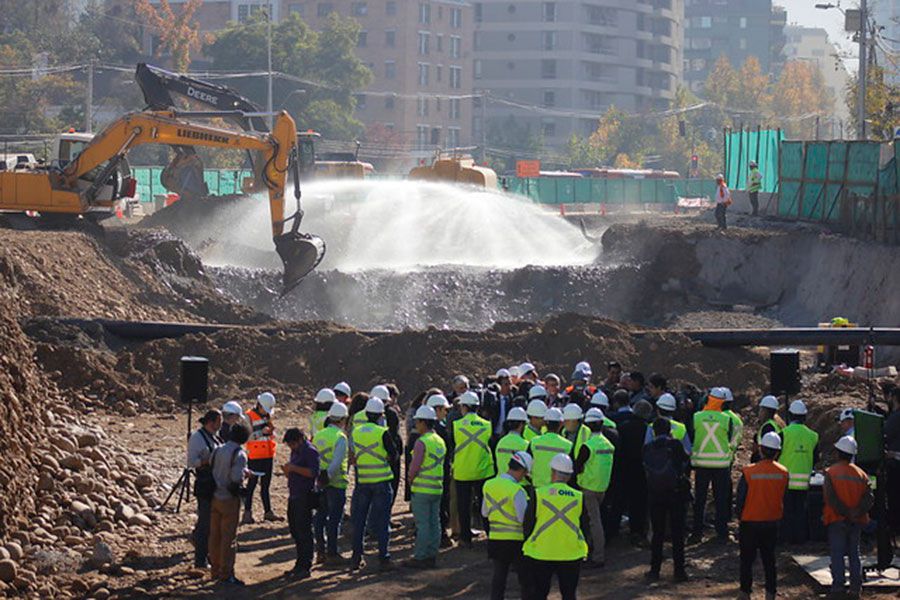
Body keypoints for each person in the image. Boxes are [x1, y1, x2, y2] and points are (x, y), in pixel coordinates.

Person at [523, 453, 589, 600]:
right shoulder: (578, 496)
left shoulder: (539, 494)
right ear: (569, 476)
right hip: (570, 553)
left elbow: (528, 524)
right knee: (569, 594)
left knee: (539, 593)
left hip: (541, 552)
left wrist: (528, 541)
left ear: (553, 472)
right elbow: (585, 525)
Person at [736, 432, 788, 600]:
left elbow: (740, 498)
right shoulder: (783, 472)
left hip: (750, 521)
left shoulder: (749, 472)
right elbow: (783, 495)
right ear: (777, 452)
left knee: (747, 560)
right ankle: (770, 593)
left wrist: (739, 516)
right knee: (769, 560)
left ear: (760, 449)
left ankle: (745, 592)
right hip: (772, 521)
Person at [349, 397, 399, 570]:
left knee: (359, 521)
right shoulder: (382, 432)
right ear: (380, 415)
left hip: (363, 481)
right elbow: (394, 454)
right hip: (382, 481)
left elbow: (354, 454)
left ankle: (356, 557)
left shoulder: (356, 431)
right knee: (383, 522)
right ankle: (383, 558)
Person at [824, 436, 874, 599]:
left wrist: (845, 512)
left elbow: (830, 498)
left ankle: (838, 588)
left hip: (837, 519)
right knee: (854, 553)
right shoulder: (862, 474)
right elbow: (869, 498)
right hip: (856, 521)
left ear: (839, 453)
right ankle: (855, 588)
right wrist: (856, 512)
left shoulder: (831, 472)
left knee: (837, 553)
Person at [643, 418, 690, 583]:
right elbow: (686, 460)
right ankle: (679, 571)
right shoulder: (676, 444)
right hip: (675, 494)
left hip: (655, 494)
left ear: (654, 431)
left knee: (658, 533)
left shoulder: (648, 447)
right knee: (678, 533)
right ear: (669, 429)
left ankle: (655, 570)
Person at [482, 451, 532, 600]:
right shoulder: (517, 490)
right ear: (522, 470)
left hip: (496, 539)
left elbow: (485, 512)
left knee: (499, 578)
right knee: (525, 580)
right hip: (516, 541)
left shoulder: (489, 485)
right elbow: (523, 518)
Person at [689, 387, 734, 544]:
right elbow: (729, 439)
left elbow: (692, 437)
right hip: (721, 465)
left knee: (700, 499)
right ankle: (721, 532)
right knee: (720, 499)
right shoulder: (726, 419)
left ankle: (696, 532)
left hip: (701, 464)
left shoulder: (696, 417)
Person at [450, 391, 495, 547]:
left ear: (464, 406)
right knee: (485, 505)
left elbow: (451, 445)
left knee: (464, 506)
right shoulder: (487, 424)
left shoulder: (456, 425)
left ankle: (465, 538)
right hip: (483, 471)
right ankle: (490, 535)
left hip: (463, 471)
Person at [406, 405, 447, 569]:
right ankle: (431, 554)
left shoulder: (421, 442)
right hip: (436, 487)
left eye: (417, 421)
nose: (416, 424)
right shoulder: (439, 441)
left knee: (422, 524)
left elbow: (414, 467)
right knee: (434, 522)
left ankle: (421, 556)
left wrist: (410, 480)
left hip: (422, 488)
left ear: (424, 422)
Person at [209, 423, 250, 586]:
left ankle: (215, 570)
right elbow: (235, 478)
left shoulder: (218, 449)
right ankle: (226, 574)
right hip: (229, 499)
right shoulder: (239, 454)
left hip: (214, 496)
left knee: (215, 535)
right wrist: (246, 475)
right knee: (228, 538)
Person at [575, 408, 615, 568]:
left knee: (593, 521)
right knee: (593, 520)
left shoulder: (588, 446)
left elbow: (577, 466)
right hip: (602, 487)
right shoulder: (608, 444)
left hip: (588, 487)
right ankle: (590, 547)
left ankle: (598, 555)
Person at [608, 391, 649, 545]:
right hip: (640, 470)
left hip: (622, 468)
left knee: (618, 501)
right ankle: (636, 531)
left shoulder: (623, 427)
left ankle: (612, 531)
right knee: (638, 502)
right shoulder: (647, 429)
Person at [312, 401, 349, 563]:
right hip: (336, 483)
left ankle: (320, 550)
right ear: (343, 420)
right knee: (334, 519)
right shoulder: (340, 437)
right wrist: (327, 477)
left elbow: (315, 459)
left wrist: (319, 479)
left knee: (320, 517)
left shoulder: (319, 435)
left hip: (320, 482)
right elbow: (337, 461)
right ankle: (332, 552)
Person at [281, 427, 319, 579]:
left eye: (292, 444)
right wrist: (288, 470)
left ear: (299, 440)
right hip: (294, 495)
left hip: (305, 496)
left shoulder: (310, 451)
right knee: (295, 530)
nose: (291, 447)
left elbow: (312, 472)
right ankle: (299, 563)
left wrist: (293, 468)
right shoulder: (296, 451)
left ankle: (305, 565)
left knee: (304, 531)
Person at [780, 400, 819, 544]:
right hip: (804, 482)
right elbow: (816, 458)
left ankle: (786, 539)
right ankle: (800, 540)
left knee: (786, 512)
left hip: (786, 482)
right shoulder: (813, 436)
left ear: (790, 415)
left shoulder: (783, 433)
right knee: (801, 512)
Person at [187, 409, 222, 570]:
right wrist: (207, 461)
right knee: (205, 523)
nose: (220, 425)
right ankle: (200, 560)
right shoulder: (197, 438)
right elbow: (191, 462)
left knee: (214, 523)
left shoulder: (215, 436)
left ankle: (210, 554)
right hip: (205, 485)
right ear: (211, 422)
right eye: (218, 422)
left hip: (216, 485)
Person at [244, 392, 279, 524]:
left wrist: (271, 432)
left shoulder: (268, 416)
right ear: (259, 405)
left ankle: (268, 512)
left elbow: (270, 434)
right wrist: (260, 433)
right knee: (251, 486)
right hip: (255, 457)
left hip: (268, 456)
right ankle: (247, 513)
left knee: (266, 486)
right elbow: (246, 437)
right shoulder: (248, 416)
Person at [428, 393, 455, 547]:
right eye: (444, 410)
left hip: (428, 474)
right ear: (437, 409)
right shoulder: (441, 429)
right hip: (441, 472)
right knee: (442, 503)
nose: (446, 413)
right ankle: (442, 534)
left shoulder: (424, 429)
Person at [528, 407, 573, 489]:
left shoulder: (534, 442)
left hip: (537, 486)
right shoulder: (568, 445)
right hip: (557, 488)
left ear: (545, 423)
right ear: (561, 423)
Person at [494, 407, 530, 474]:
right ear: (522, 425)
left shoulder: (500, 442)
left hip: (501, 481)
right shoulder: (525, 444)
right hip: (519, 483)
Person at [885, 387, 900, 536]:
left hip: (896, 466)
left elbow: (885, 432)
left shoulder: (895, 417)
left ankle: (894, 527)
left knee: (894, 498)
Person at [751, 395, 784, 463]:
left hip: (765, 463)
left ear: (764, 410)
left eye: (761, 409)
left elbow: (768, 449)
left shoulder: (768, 427)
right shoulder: (776, 424)